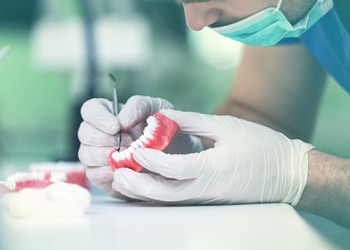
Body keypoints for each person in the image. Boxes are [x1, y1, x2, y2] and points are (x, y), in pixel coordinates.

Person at [78, 0, 350, 228]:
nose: (194, 21)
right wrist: (188, 154)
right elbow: (266, 115)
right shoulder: (292, 10)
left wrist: (302, 174)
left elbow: (285, 165)